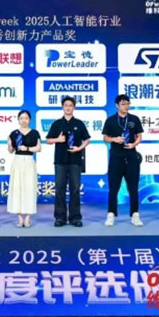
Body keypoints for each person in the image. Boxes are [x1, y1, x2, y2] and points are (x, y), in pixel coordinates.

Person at [46, 96, 90, 227]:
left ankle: (75, 217)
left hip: (75, 161)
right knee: (59, 189)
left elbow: (87, 139)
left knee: (75, 189)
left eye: (70, 105)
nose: (68, 108)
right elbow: (48, 140)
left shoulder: (79, 123)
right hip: (60, 161)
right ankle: (60, 217)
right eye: (66, 105)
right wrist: (57, 140)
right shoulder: (57, 124)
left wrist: (79, 148)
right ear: (62, 107)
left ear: (74, 107)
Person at [102, 94, 144, 227]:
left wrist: (134, 144)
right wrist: (114, 139)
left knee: (133, 188)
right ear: (117, 105)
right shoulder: (110, 120)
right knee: (114, 188)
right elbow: (105, 138)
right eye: (123, 104)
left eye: (127, 104)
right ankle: (111, 214)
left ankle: (135, 215)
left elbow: (139, 136)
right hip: (116, 157)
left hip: (132, 157)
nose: (126, 106)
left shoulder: (134, 119)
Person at [6, 110, 41, 228]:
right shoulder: (14, 133)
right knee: (17, 188)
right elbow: (11, 151)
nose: (23, 120)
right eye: (21, 118)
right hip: (17, 160)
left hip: (29, 161)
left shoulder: (34, 133)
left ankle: (28, 218)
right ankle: (20, 218)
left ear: (29, 120)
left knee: (29, 187)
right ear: (18, 120)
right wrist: (9, 145)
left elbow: (38, 148)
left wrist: (28, 148)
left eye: (26, 118)